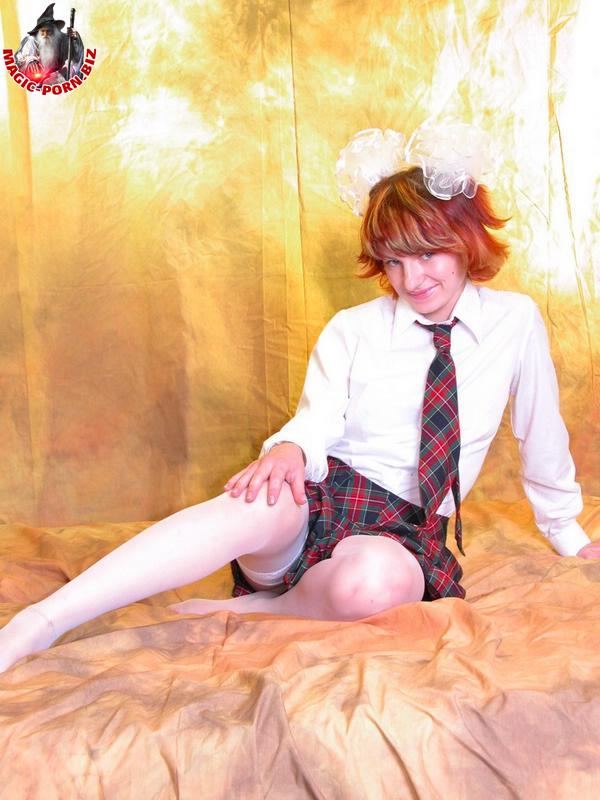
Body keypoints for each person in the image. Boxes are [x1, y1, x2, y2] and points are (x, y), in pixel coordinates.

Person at [0, 123, 597, 676]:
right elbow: (317, 420)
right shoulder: (353, 328)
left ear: (465, 240)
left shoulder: (516, 322)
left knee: (378, 587)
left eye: (427, 253)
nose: (412, 279)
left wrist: (566, 532)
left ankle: (259, 610)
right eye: (393, 260)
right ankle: (42, 621)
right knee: (260, 498)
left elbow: (540, 431)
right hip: (326, 496)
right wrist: (288, 450)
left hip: (403, 532)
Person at [14, 3, 84, 86]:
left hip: (59, 80)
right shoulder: (32, 41)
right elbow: (19, 58)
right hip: (36, 82)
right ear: (38, 32)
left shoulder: (63, 40)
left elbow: (76, 56)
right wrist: (30, 60)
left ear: (54, 31)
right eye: (42, 31)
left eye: (48, 31)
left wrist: (75, 37)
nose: (45, 35)